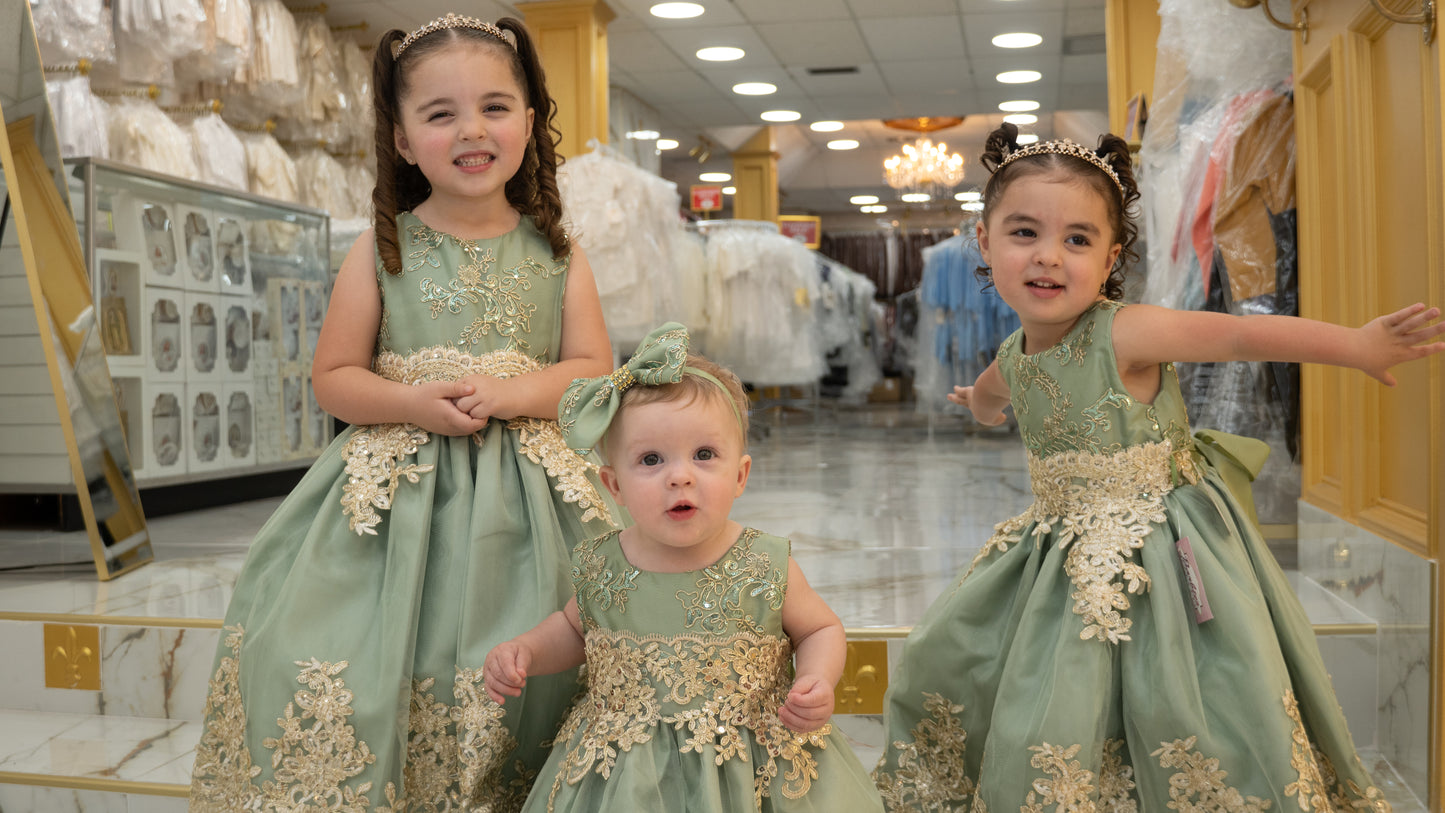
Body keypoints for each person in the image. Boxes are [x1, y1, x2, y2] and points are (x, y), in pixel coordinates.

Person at [873, 122, 1444, 811]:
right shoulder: (1015, 351)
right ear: (983, 244)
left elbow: (1239, 332)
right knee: (984, 661)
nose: (1048, 257)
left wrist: (1354, 344)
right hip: (1058, 550)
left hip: (1168, 545)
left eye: (1076, 239)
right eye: (1023, 233)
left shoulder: (1124, 330)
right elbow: (995, 390)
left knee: (1181, 687)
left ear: (1111, 255)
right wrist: (978, 404)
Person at [189, 14, 619, 811]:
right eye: (440, 113)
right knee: (328, 648)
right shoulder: (380, 250)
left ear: (529, 121)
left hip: (531, 505)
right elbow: (334, 377)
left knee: (539, 661)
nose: (471, 130)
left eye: (494, 106)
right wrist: (411, 401)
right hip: (393, 497)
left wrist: (512, 393)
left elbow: (593, 371)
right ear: (400, 138)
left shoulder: (558, 252)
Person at [483, 323, 885, 813]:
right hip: (623, 775)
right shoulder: (602, 563)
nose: (680, 476)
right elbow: (573, 630)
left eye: (704, 455)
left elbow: (819, 628)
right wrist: (525, 650)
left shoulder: (762, 563)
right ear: (614, 486)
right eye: (651, 459)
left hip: (753, 765)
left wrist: (817, 678)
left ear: (740, 476)